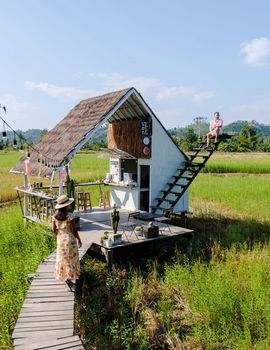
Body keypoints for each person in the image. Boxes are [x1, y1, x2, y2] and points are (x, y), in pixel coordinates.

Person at [52, 194, 82, 292]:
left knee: (62, 259)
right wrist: (79, 239)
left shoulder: (54, 217)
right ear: (66, 206)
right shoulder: (70, 216)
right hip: (70, 240)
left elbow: (53, 230)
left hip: (60, 240)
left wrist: (59, 234)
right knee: (71, 260)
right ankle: (70, 278)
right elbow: (74, 230)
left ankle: (66, 278)